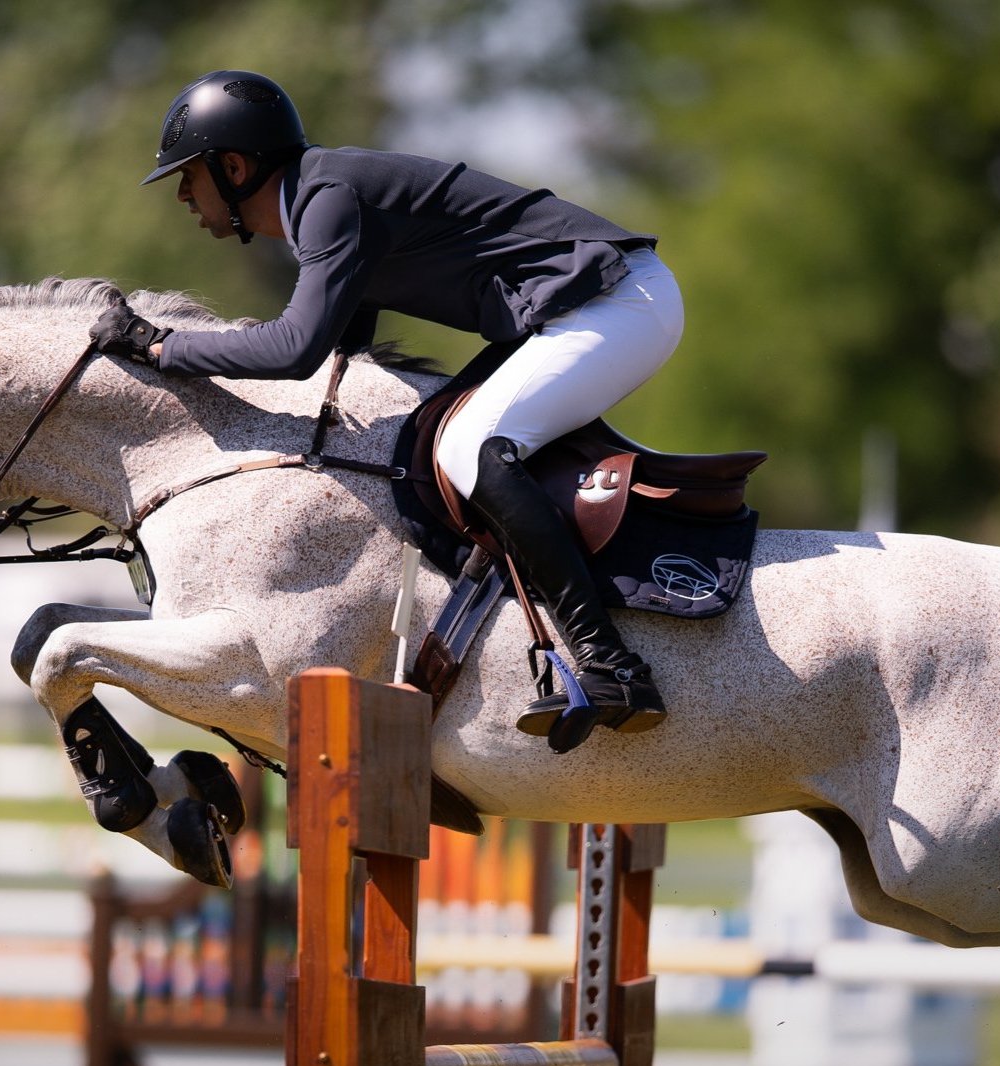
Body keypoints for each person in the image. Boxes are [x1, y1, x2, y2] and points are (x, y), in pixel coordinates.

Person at [91, 69, 683, 752]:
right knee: (439, 439)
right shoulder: (321, 200)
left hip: (615, 302)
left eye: (188, 178)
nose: (184, 198)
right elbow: (344, 344)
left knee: (470, 450)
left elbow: (295, 349)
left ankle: (614, 665)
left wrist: (163, 347)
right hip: (581, 308)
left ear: (233, 166)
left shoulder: (327, 200)